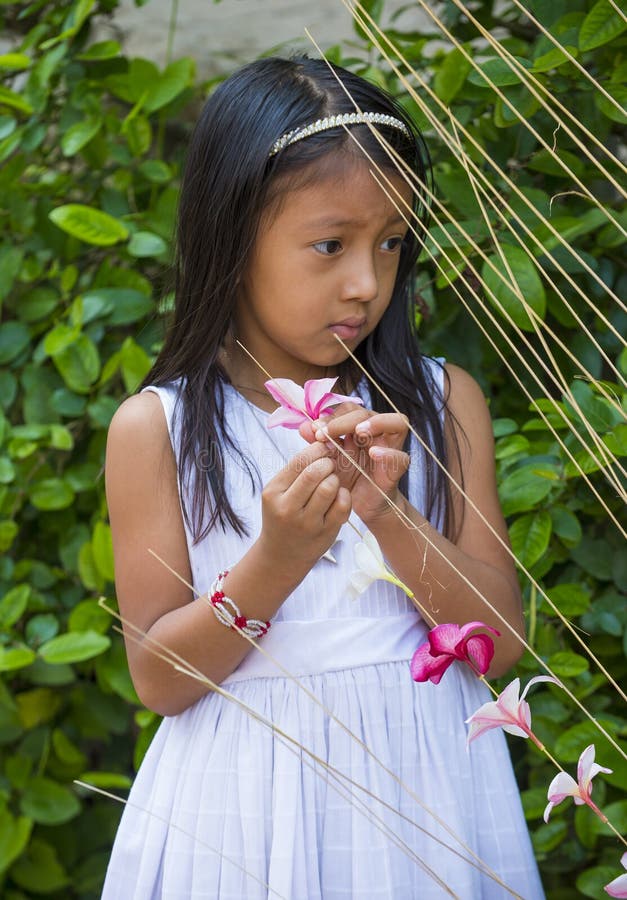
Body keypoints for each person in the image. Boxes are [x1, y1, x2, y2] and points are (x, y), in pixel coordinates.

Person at [102, 55, 544, 899]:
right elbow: (159, 679)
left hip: (429, 792)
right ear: (233, 235)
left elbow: (497, 640)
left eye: (389, 243)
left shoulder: (440, 402)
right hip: (243, 808)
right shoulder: (158, 429)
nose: (365, 283)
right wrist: (278, 556)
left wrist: (386, 515)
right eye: (329, 244)